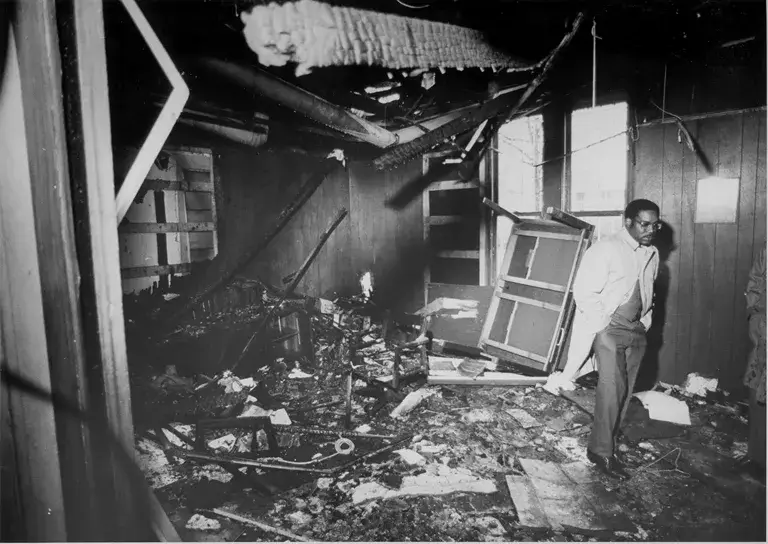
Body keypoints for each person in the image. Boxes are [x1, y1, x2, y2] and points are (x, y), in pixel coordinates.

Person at [563, 199, 661, 479]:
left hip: (636, 329)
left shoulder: (651, 252)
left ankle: (610, 444)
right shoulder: (606, 248)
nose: (651, 229)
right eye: (645, 224)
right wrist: (602, 326)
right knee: (611, 391)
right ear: (628, 221)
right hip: (610, 329)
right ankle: (600, 452)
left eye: (656, 225)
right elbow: (582, 291)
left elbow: (648, 291)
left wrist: (644, 322)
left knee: (626, 391)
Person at [743, 243, 766, 478]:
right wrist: (754, 314)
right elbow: (756, 281)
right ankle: (757, 458)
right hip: (764, 332)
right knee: (756, 391)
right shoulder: (767, 248)